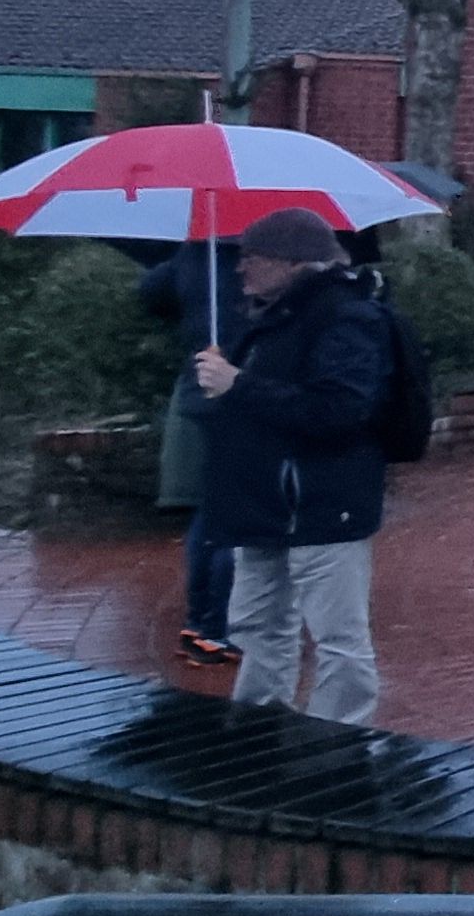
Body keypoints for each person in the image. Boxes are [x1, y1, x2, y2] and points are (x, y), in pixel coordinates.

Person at [192, 208, 397, 724]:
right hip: (262, 506)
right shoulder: (266, 316)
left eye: (252, 257)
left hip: (324, 505)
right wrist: (229, 380)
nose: (240, 268)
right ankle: (259, 730)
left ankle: (340, 743)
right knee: (257, 625)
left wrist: (238, 383)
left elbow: (340, 410)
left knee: (338, 636)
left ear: (292, 263)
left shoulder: (348, 316)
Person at [139, 237, 249, 669]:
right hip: (235, 401)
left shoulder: (192, 253)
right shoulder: (256, 262)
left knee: (207, 513)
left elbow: (151, 292)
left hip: (192, 395)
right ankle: (216, 628)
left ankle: (199, 622)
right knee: (234, 519)